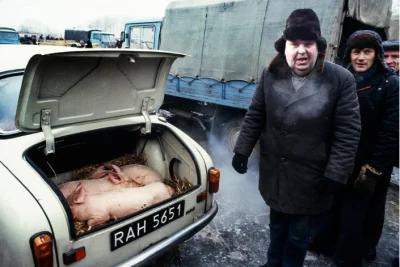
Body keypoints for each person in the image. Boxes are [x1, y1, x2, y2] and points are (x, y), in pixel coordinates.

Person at [231, 8, 361, 267]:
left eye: (308, 43)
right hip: (275, 172)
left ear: (318, 48)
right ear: (284, 48)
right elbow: (256, 114)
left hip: (311, 177)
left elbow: (348, 131)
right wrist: (242, 149)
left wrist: (336, 174)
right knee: (277, 224)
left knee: (299, 235)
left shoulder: (340, 79)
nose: (301, 50)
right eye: (295, 44)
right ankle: (272, 263)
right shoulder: (271, 74)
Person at [333, 30, 399, 267]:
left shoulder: (390, 84)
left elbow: (390, 131)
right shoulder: (343, 79)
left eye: (367, 51)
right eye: (356, 51)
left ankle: (350, 258)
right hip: (343, 160)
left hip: (369, 164)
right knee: (339, 208)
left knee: (361, 212)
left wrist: (373, 169)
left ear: (376, 55)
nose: (361, 57)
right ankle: (336, 247)